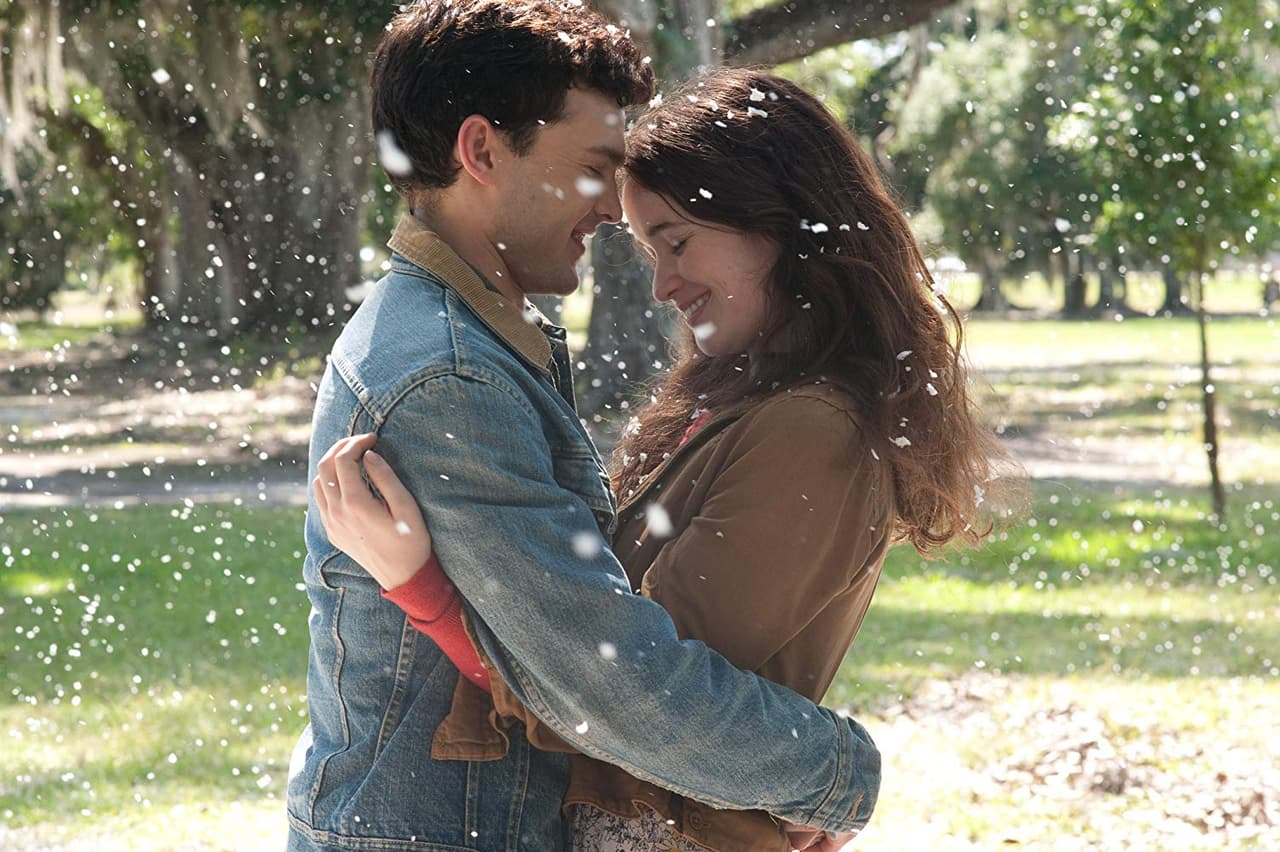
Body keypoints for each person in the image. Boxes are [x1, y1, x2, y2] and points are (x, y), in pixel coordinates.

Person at [313, 66, 1007, 851]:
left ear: (782, 223)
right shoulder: (749, 403)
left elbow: (629, 699)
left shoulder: (814, 430)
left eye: (677, 243)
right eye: (650, 252)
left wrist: (419, 587)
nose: (663, 286)